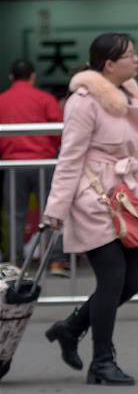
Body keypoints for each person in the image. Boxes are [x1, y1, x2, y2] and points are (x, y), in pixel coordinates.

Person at [42, 33, 138, 385]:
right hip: (94, 198)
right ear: (109, 64)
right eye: (130, 55)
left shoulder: (126, 95)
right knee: (113, 278)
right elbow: (69, 157)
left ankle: (71, 327)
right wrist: (55, 209)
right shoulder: (84, 101)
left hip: (126, 198)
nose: (136, 60)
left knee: (131, 280)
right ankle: (102, 361)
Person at [0, 59, 65, 271]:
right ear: (33, 76)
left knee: (15, 215)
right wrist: (48, 151)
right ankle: (55, 260)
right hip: (43, 163)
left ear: (11, 77)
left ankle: (15, 262)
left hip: (13, 165)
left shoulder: (2, 100)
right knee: (52, 213)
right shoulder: (45, 99)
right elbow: (58, 132)